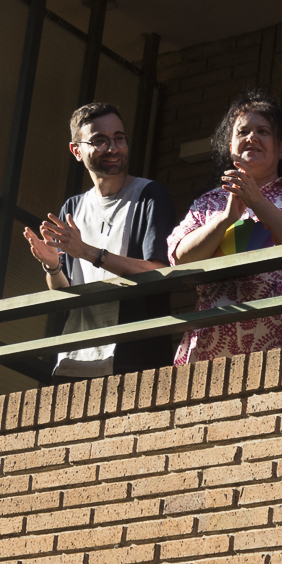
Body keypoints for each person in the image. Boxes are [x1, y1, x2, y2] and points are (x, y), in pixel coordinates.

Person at [21, 101, 182, 378]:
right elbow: (66, 294)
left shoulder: (150, 195)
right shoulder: (72, 208)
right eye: (99, 140)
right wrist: (52, 267)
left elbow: (157, 272)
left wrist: (87, 251)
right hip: (78, 356)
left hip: (135, 354)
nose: (112, 147)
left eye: (119, 138)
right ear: (76, 150)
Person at [166, 88, 282, 363]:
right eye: (243, 132)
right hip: (210, 347)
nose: (252, 137)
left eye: (263, 131)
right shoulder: (208, 202)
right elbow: (180, 259)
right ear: (230, 146)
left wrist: (258, 202)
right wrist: (226, 219)